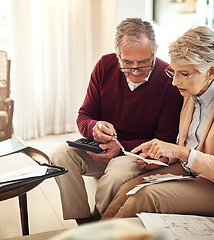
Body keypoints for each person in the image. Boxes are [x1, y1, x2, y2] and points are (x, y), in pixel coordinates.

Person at [101, 26, 214, 220]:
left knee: (145, 196)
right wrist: (165, 155)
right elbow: (192, 146)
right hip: (197, 173)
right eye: (174, 72)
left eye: (183, 74)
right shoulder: (192, 89)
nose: (174, 82)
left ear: (211, 72)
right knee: (128, 188)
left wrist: (180, 152)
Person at [50, 18, 183, 224]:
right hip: (102, 149)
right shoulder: (105, 65)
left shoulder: (169, 80)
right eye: (127, 63)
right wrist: (95, 128)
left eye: (144, 62)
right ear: (117, 54)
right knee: (60, 155)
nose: (136, 70)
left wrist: (120, 148)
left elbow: (165, 139)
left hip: (138, 154)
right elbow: (84, 115)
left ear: (155, 49)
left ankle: (99, 223)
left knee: (117, 170)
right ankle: (82, 222)